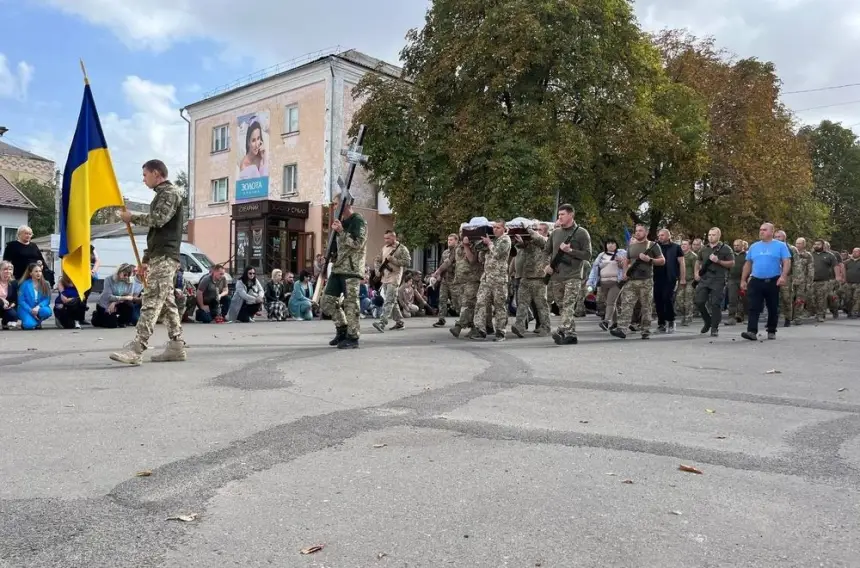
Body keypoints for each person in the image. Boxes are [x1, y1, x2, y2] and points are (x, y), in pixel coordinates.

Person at [110, 159, 186, 365]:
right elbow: (156, 233)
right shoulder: (162, 195)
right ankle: (176, 346)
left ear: (156, 173)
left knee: (151, 301)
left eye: (145, 175)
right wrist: (145, 261)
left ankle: (137, 349)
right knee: (167, 302)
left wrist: (131, 217)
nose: (143, 179)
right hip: (159, 255)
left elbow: (158, 219)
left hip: (165, 256)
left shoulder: (170, 193)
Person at [320, 193, 367, 348]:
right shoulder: (340, 222)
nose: (333, 207)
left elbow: (358, 243)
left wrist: (341, 231)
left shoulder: (358, 221)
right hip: (338, 267)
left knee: (351, 304)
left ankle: (353, 338)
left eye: (336, 204)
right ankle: (342, 329)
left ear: (345, 204)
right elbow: (335, 247)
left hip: (351, 269)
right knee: (326, 302)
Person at [544, 204, 592, 345]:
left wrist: (570, 251)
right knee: (561, 306)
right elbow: (546, 251)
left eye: (563, 214)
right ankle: (571, 335)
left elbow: (588, 255)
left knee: (569, 304)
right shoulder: (555, 233)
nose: (560, 217)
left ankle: (562, 330)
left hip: (573, 275)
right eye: (559, 215)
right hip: (557, 276)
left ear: (571, 215)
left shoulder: (581, 233)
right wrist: (546, 266)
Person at [740, 222, 791, 341]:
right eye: (760, 229)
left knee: (773, 306)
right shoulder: (754, 246)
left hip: (773, 280)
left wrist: (783, 276)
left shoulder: (780, 246)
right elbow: (748, 264)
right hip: (756, 280)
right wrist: (743, 279)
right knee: (753, 306)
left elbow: (786, 261)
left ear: (771, 232)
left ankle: (772, 330)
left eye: (764, 230)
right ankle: (752, 331)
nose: (761, 232)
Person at [694, 227, 734, 337]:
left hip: (718, 279)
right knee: (699, 301)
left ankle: (714, 328)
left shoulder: (725, 249)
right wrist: (696, 273)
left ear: (719, 236)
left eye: (713, 235)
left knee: (715, 304)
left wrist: (719, 261)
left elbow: (731, 263)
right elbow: (698, 261)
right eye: (709, 235)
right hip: (705, 279)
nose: (711, 237)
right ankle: (708, 321)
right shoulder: (704, 249)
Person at [653, 229, 685, 333]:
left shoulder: (676, 247)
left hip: (670, 277)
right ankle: (661, 323)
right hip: (657, 277)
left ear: (668, 236)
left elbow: (681, 263)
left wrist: (682, 278)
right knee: (658, 300)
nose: (660, 237)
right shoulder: (655, 247)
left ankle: (671, 320)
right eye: (659, 235)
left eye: (662, 235)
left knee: (667, 298)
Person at [15, 262, 52, 329]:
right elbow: (21, 301)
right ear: (31, 273)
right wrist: (31, 310)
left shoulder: (46, 284)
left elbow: (47, 299)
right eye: (36, 271)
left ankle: (38, 322)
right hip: (26, 309)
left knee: (46, 311)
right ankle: (29, 322)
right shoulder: (24, 284)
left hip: (38, 308)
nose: (38, 273)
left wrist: (38, 307)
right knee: (29, 325)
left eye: (40, 271)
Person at [0, 260, 20, 329]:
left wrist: (12, 304)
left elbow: (15, 299)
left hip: (6, 307)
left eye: (10, 269)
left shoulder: (14, 283)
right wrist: (2, 300)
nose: (8, 271)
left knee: (13, 315)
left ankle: (4, 322)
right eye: (5, 269)